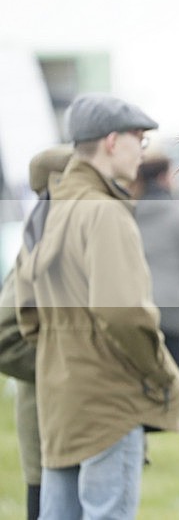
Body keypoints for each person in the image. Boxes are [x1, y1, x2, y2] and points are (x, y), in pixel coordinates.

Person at [14, 93, 179, 520]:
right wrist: (161, 372)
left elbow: (23, 310)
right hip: (110, 401)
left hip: (59, 399)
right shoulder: (105, 213)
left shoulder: (51, 209)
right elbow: (123, 313)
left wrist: (57, 355)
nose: (141, 151)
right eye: (139, 140)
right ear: (113, 142)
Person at [0, 144, 72, 520]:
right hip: (49, 423)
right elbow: (3, 338)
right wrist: (72, 370)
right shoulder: (41, 242)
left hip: (71, 421)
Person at [132, 152, 179, 372]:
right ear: (164, 177)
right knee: (172, 382)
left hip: (133, 307)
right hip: (170, 310)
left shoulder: (126, 214)